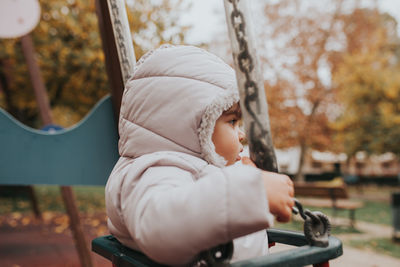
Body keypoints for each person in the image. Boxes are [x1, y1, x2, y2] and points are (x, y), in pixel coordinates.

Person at [105, 45, 294, 265]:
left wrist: (246, 180)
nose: (241, 133)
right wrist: (249, 192)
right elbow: (163, 228)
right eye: (232, 121)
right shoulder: (155, 170)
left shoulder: (195, 166)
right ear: (188, 125)